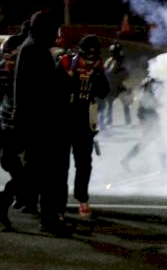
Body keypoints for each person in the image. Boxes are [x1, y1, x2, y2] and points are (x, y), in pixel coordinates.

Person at [13, 10, 71, 234]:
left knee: (35, 173)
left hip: (35, 122)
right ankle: (49, 221)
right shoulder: (35, 50)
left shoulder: (32, 46)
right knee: (47, 175)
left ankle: (48, 217)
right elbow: (45, 88)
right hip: (41, 123)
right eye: (53, 30)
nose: (56, 35)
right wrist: (64, 72)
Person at [58, 34, 110, 217]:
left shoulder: (98, 66)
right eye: (86, 57)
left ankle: (82, 197)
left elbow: (104, 92)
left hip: (85, 118)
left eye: (93, 57)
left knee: (84, 163)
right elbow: (56, 89)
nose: (89, 61)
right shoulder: (65, 62)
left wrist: (96, 74)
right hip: (64, 118)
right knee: (60, 164)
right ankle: (58, 203)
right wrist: (72, 78)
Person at [0, 35, 29, 229]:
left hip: (17, 129)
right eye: (9, 58)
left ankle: (5, 203)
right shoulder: (3, 71)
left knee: (22, 174)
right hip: (6, 129)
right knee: (19, 171)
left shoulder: (23, 73)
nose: (10, 63)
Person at [120, 76, 167, 172]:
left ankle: (164, 165)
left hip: (150, 116)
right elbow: (146, 103)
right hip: (149, 117)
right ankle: (125, 160)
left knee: (153, 141)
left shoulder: (147, 83)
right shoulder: (150, 85)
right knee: (151, 142)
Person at [100, 41, 131, 128]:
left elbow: (126, 74)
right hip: (112, 86)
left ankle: (128, 121)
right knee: (109, 105)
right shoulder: (110, 61)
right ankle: (109, 122)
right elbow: (106, 72)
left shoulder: (120, 62)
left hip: (118, 85)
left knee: (125, 103)